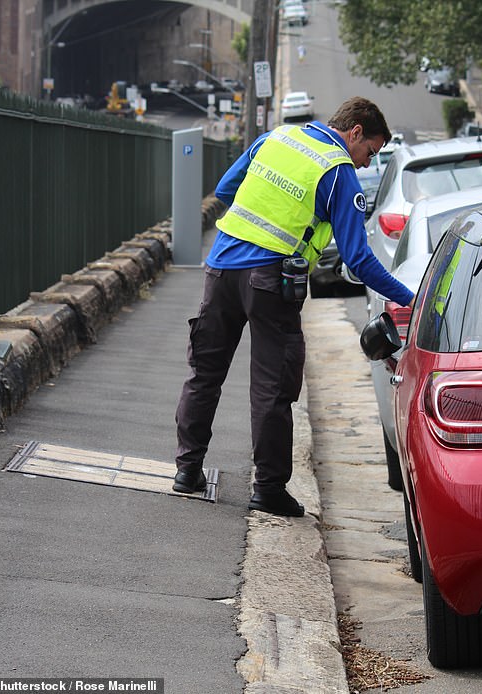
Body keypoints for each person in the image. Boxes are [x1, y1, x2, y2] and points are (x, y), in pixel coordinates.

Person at [173, 96, 414, 517]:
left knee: (204, 374)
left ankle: (186, 470)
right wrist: (410, 298)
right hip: (270, 282)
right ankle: (267, 490)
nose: (365, 165)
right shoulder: (338, 173)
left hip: (221, 268)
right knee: (272, 387)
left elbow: (227, 190)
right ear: (355, 132)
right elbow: (357, 259)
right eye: (369, 153)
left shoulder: (276, 137)